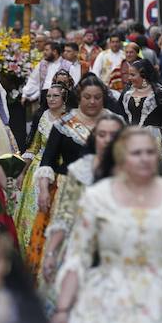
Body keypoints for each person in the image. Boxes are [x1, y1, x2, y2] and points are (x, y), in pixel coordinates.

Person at [52, 128, 162, 323]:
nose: (144, 159)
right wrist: (63, 308)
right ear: (120, 158)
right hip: (108, 300)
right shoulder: (97, 198)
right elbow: (78, 256)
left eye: (149, 152)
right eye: (136, 153)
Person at [38, 112, 124, 312]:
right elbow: (65, 215)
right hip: (81, 246)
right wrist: (51, 253)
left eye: (113, 135)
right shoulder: (80, 170)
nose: (107, 140)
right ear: (95, 138)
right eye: (102, 135)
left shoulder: (135, 170)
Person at [36, 76, 125, 217]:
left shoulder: (116, 122)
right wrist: (44, 190)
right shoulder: (63, 124)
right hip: (68, 191)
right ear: (79, 97)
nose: (92, 102)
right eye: (87, 97)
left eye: (97, 97)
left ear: (104, 98)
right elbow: (48, 160)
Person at [13, 83, 70, 264]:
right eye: (49, 96)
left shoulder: (71, 119)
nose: (51, 99)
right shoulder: (43, 116)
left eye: (55, 96)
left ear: (64, 99)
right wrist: (22, 172)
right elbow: (34, 147)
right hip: (38, 169)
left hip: (61, 171)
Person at [118, 59, 162, 172]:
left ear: (144, 75)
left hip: (155, 143)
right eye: (129, 75)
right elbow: (120, 116)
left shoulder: (161, 93)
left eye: (133, 75)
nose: (129, 78)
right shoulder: (127, 93)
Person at [24, 42, 82, 109]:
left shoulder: (68, 65)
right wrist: (25, 94)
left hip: (62, 98)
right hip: (44, 96)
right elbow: (33, 80)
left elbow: (73, 83)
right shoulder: (42, 64)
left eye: (46, 50)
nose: (44, 52)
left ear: (54, 51)